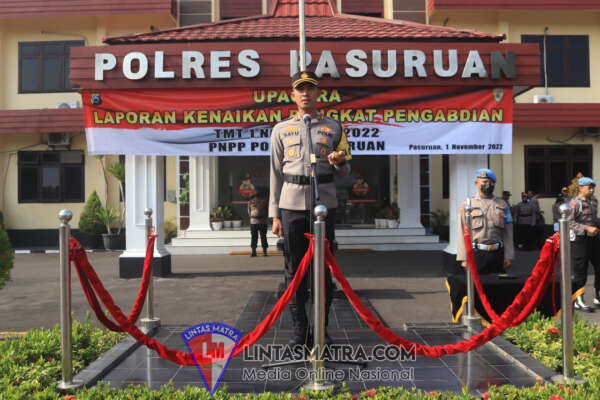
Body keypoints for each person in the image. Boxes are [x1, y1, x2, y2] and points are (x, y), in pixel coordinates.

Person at [269, 70, 351, 346]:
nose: (305, 93)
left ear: (318, 93)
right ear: (292, 95)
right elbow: (275, 173)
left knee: (324, 271)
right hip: (291, 206)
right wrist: (274, 214)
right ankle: (300, 330)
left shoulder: (334, 127)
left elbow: (345, 171)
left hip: (324, 205)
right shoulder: (281, 129)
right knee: (294, 270)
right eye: (300, 89)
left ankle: (321, 330)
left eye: (310, 88)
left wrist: (340, 162)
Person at [457, 168, 514, 274]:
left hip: (498, 253)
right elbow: (462, 231)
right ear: (476, 183)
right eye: (485, 182)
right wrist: (463, 258)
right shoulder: (468, 204)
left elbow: (508, 232)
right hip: (477, 254)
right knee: (477, 283)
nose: (488, 184)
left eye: (491, 182)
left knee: (498, 283)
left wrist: (509, 255)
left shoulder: (502, 204)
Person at [569, 177, 600, 312]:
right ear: (581, 188)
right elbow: (568, 222)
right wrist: (587, 228)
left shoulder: (594, 201)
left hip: (594, 239)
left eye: (593, 188)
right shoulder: (575, 203)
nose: (592, 190)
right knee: (581, 271)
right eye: (589, 188)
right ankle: (578, 299)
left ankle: (598, 295)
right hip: (580, 240)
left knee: (599, 266)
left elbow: (593, 219)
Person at [247, 188, 269, 257]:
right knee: (263, 236)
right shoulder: (264, 201)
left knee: (255, 237)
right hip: (262, 221)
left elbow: (249, 212)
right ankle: (264, 252)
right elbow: (267, 211)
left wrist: (252, 216)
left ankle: (255, 252)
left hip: (255, 221)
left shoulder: (251, 201)